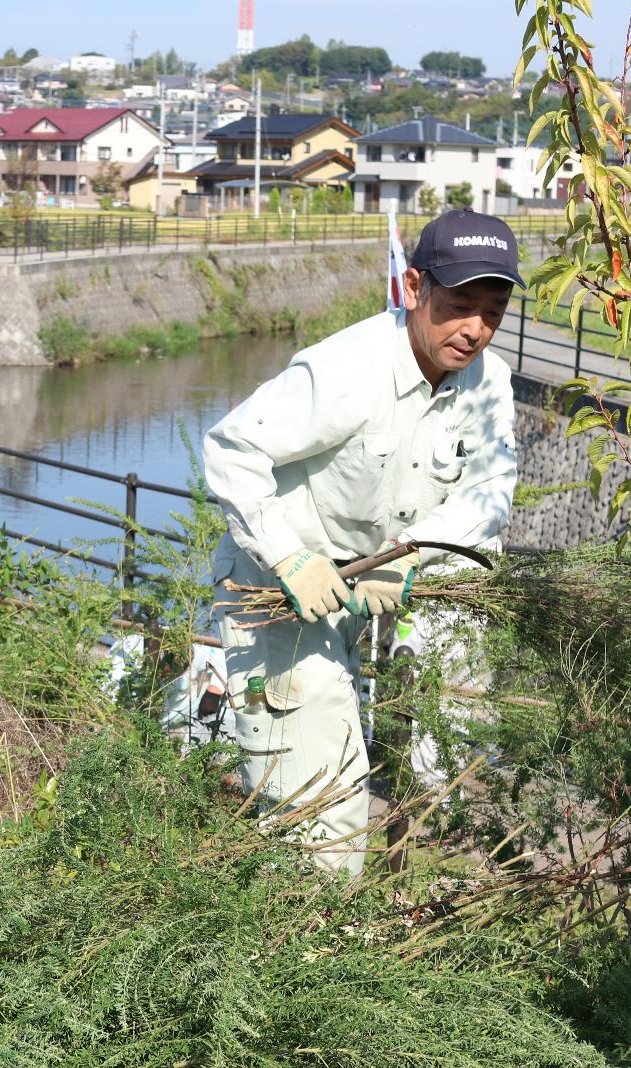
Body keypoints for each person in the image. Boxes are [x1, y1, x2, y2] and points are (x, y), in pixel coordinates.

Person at [203, 208, 522, 877]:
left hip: (363, 588)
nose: (476, 329)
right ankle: (311, 953)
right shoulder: (348, 369)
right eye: (460, 305)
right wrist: (288, 556)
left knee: (343, 776)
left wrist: (411, 553)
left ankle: (309, 946)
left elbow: (491, 488)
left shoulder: (487, 381)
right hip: (274, 598)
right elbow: (233, 448)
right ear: (414, 288)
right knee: (323, 793)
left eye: (493, 311)